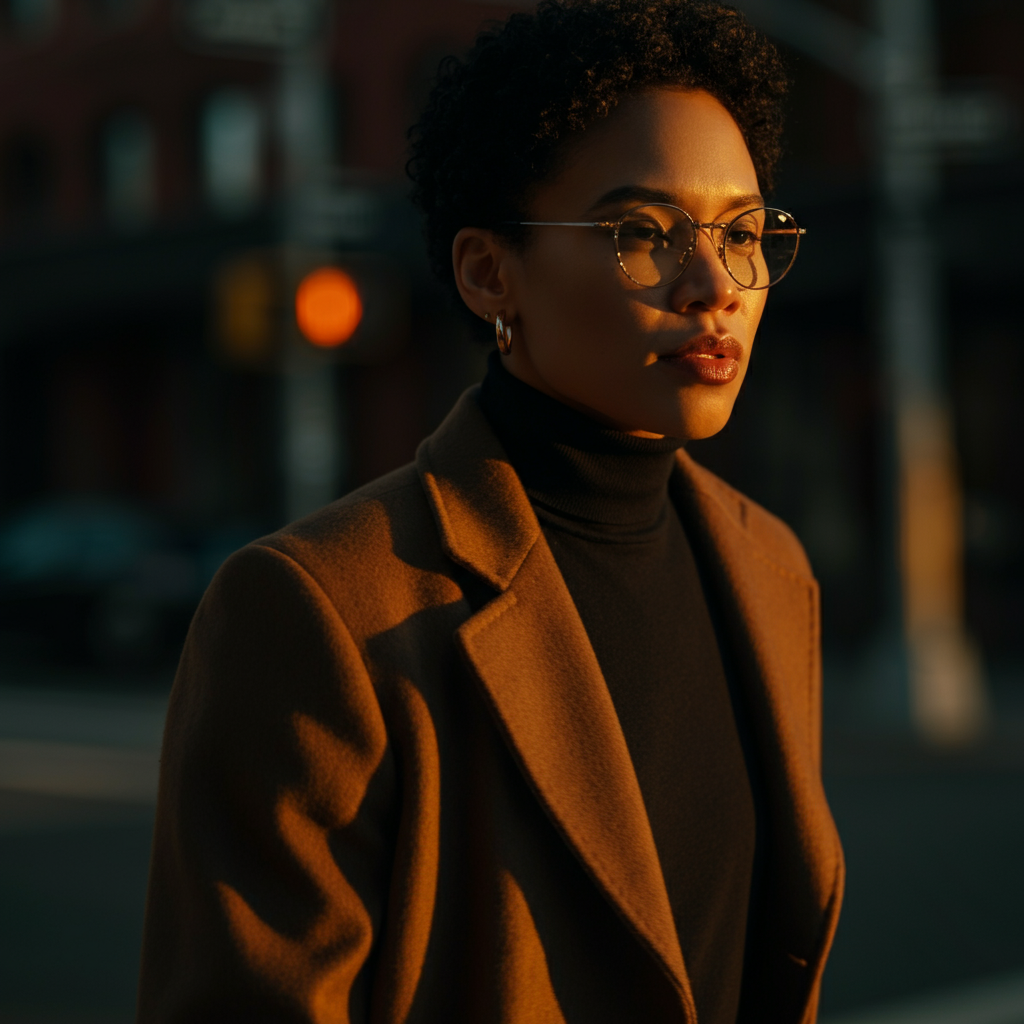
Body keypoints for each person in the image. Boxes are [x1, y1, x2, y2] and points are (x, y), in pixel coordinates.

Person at [137, 1, 844, 1021]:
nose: (712, 285)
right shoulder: (322, 608)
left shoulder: (770, 569)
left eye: (743, 233)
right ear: (487, 272)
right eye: (641, 232)